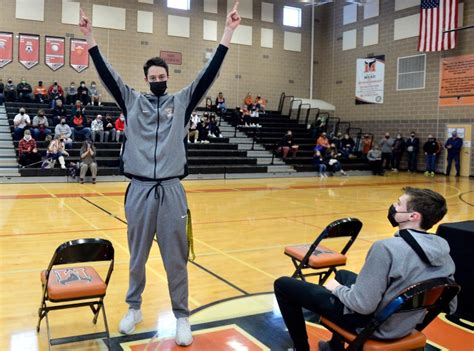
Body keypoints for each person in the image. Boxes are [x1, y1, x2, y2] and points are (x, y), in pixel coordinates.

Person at [79, 3, 241, 345]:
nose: (156, 81)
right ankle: (134, 308)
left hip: (171, 191)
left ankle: (182, 316)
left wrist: (227, 34)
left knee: (175, 258)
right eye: (152, 78)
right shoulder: (132, 101)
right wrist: (90, 38)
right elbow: (109, 76)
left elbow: (208, 75)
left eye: (161, 78)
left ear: (167, 79)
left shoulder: (180, 103)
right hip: (138, 190)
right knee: (137, 256)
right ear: (146, 80)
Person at [274, 187, 456, 351]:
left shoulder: (386, 248)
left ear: (413, 216)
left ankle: (301, 348)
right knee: (344, 275)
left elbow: (362, 305)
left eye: (399, 204)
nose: (393, 206)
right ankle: (334, 346)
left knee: (283, 285)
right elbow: (451, 304)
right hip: (405, 324)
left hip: (374, 326)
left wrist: (336, 289)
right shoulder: (441, 247)